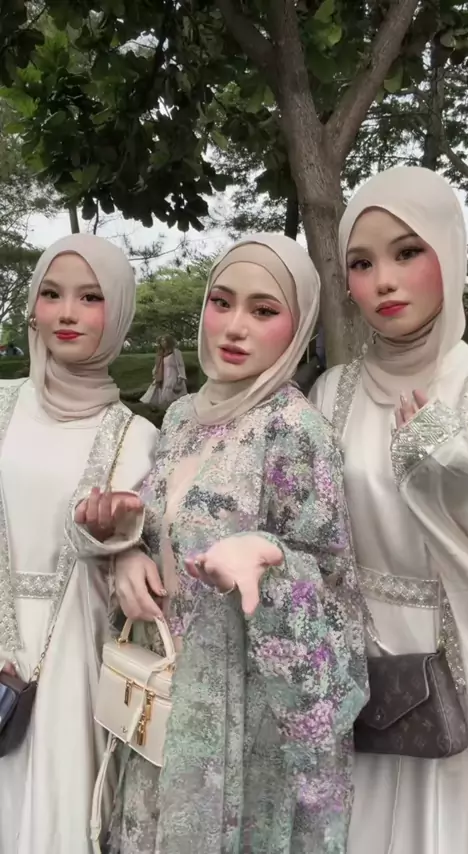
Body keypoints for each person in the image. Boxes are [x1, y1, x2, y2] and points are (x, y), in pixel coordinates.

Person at [72, 233, 368, 854]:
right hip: (163, 691)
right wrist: (125, 546)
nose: (235, 326)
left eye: (263, 310)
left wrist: (270, 558)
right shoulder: (184, 417)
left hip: (242, 717)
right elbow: (170, 531)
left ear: (299, 325)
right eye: (222, 302)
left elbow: (335, 587)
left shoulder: (295, 431)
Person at [309, 166, 468, 854]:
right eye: (362, 263)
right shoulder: (331, 393)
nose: (383, 280)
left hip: (459, 662)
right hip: (356, 669)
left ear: (450, 251)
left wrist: (450, 467)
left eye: (407, 252)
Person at [0, 233, 158, 854]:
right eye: (52, 294)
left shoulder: (136, 436)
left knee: (60, 809)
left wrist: (122, 540)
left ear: (117, 313)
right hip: (4, 628)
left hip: (77, 649)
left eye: (91, 297)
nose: (67, 313)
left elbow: (143, 551)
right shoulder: (3, 405)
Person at [141, 334, 187, 406]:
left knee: (171, 394)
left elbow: (181, 365)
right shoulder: (161, 354)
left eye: (164, 340)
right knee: (161, 394)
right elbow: (157, 365)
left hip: (173, 376)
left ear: (169, 341)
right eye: (162, 341)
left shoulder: (176, 352)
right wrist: (155, 374)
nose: (163, 342)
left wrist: (181, 377)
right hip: (163, 376)